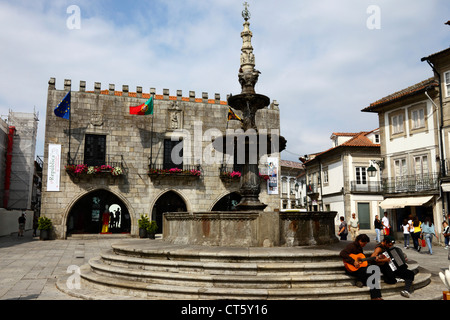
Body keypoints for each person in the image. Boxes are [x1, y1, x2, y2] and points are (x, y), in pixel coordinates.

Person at [340, 234, 383, 300]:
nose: (365, 245)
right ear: (360, 241)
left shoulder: (359, 248)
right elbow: (342, 253)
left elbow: (362, 260)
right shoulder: (351, 246)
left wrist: (373, 259)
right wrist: (353, 262)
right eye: (364, 243)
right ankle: (375, 296)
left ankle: (377, 296)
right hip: (351, 269)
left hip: (359, 268)